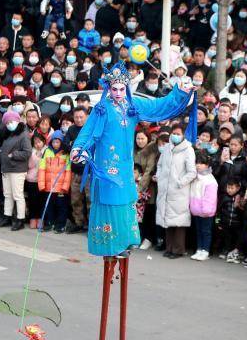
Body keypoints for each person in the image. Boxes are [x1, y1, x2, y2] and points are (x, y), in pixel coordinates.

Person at [71, 62, 195, 257]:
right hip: (106, 164)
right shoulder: (101, 108)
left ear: (127, 87)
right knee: (109, 198)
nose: (119, 92)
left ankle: (124, 242)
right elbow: (88, 132)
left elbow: (157, 105)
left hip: (125, 164)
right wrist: (79, 148)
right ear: (108, 88)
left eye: (122, 88)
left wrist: (179, 92)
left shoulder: (132, 105)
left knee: (125, 198)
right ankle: (109, 245)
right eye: (114, 89)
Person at [155, 124, 197, 259]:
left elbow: (192, 172)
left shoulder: (188, 150)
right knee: (167, 220)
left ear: (183, 135)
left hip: (179, 191)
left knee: (178, 221)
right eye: (174, 133)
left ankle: (178, 250)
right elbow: (160, 165)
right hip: (165, 189)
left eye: (178, 133)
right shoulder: (167, 148)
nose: (175, 136)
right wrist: (160, 177)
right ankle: (169, 248)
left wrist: (180, 183)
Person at [0, 111, 32, 231]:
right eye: (7, 122)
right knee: (7, 195)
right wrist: (1, 155)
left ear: (17, 121)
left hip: (17, 169)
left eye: (12, 121)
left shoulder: (24, 134)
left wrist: (13, 155)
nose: (10, 124)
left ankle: (20, 219)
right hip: (6, 168)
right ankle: (7, 216)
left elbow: (27, 152)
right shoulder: (8, 134)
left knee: (17, 195)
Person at [38, 130, 72, 232]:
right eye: (53, 142)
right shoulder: (47, 151)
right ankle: (49, 222)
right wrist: (41, 184)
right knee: (49, 206)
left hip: (60, 187)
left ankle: (60, 224)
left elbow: (68, 171)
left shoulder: (65, 154)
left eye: (58, 142)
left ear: (61, 142)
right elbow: (42, 169)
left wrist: (65, 187)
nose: (55, 144)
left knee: (61, 206)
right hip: (49, 186)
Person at [189, 150, 218, 261]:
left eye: (201, 163)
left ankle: (205, 250)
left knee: (206, 231)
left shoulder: (210, 180)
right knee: (199, 230)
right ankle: (199, 249)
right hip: (196, 210)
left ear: (207, 165)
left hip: (206, 211)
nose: (198, 165)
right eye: (197, 162)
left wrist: (206, 210)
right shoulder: (195, 177)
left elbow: (210, 198)